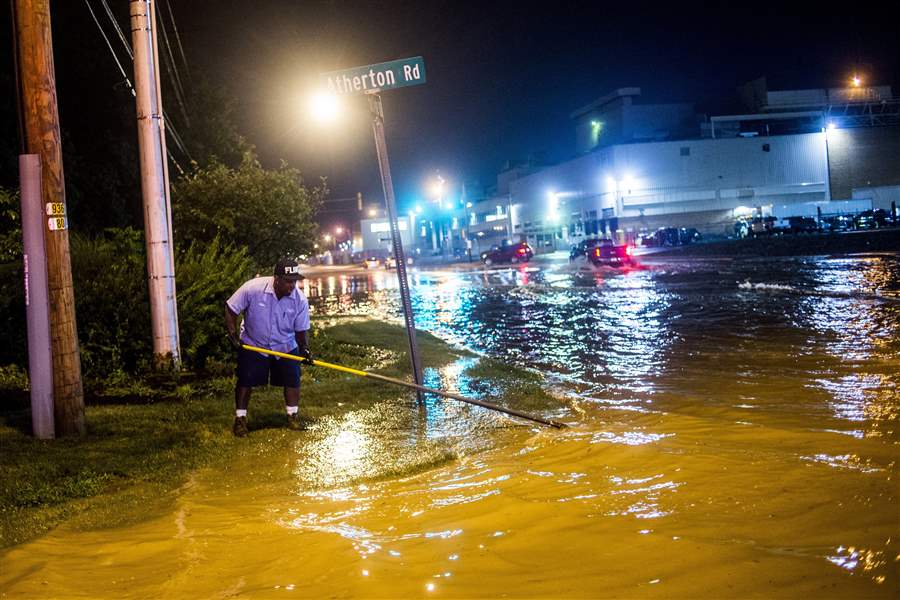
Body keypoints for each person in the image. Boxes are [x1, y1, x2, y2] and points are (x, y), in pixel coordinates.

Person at [224, 258, 312, 437]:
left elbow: (301, 330)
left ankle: (292, 416)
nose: (292, 286)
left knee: (292, 378)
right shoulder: (252, 288)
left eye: (294, 281)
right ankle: (240, 419)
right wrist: (232, 334)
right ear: (276, 279)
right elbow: (230, 308)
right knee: (245, 380)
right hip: (254, 343)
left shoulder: (300, 301)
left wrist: (304, 349)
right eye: (288, 281)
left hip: (285, 344)